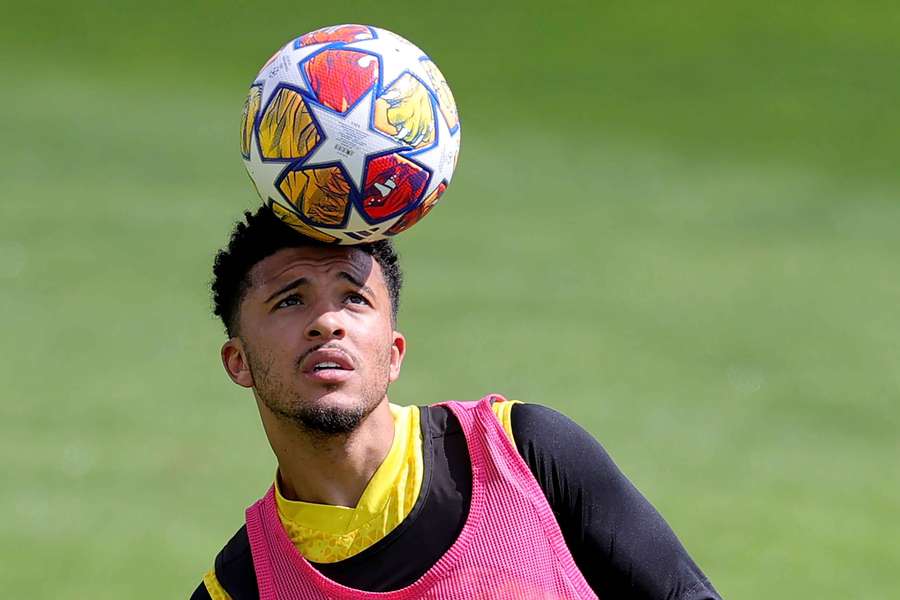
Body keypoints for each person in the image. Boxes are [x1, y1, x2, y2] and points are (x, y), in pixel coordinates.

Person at [190, 207, 721, 599]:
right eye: (290, 299)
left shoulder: (525, 455)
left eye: (354, 297)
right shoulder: (240, 588)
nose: (328, 322)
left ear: (394, 352)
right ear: (237, 361)